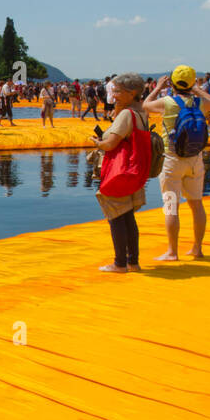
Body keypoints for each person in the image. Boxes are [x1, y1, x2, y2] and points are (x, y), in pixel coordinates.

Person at [144, 65, 210, 261]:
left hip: (172, 159)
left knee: (171, 206)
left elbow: (145, 105)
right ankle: (197, 248)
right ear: (192, 83)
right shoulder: (199, 103)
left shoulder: (168, 102)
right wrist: (196, 88)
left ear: (173, 83)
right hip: (195, 160)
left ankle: (172, 251)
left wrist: (158, 87)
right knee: (197, 204)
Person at [90, 72, 150, 273]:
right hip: (137, 169)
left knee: (116, 216)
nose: (113, 94)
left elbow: (110, 144)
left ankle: (119, 263)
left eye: (117, 91)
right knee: (127, 217)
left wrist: (98, 142)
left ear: (131, 92)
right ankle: (133, 261)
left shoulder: (126, 114)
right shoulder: (141, 112)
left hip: (121, 171)